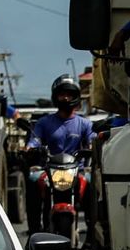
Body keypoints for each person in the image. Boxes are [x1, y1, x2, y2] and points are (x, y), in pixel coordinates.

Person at [26, 75, 96, 238]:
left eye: (69, 94)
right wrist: (30, 147)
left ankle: (93, 232)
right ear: (55, 97)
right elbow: (35, 139)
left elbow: (92, 139)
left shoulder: (84, 124)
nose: (65, 98)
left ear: (76, 97)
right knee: (32, 179)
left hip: (77, 172)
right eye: (61, 94)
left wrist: (93, 146)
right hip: (49, 171)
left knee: (94, 183)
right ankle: (34, 231)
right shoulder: (44, 122)